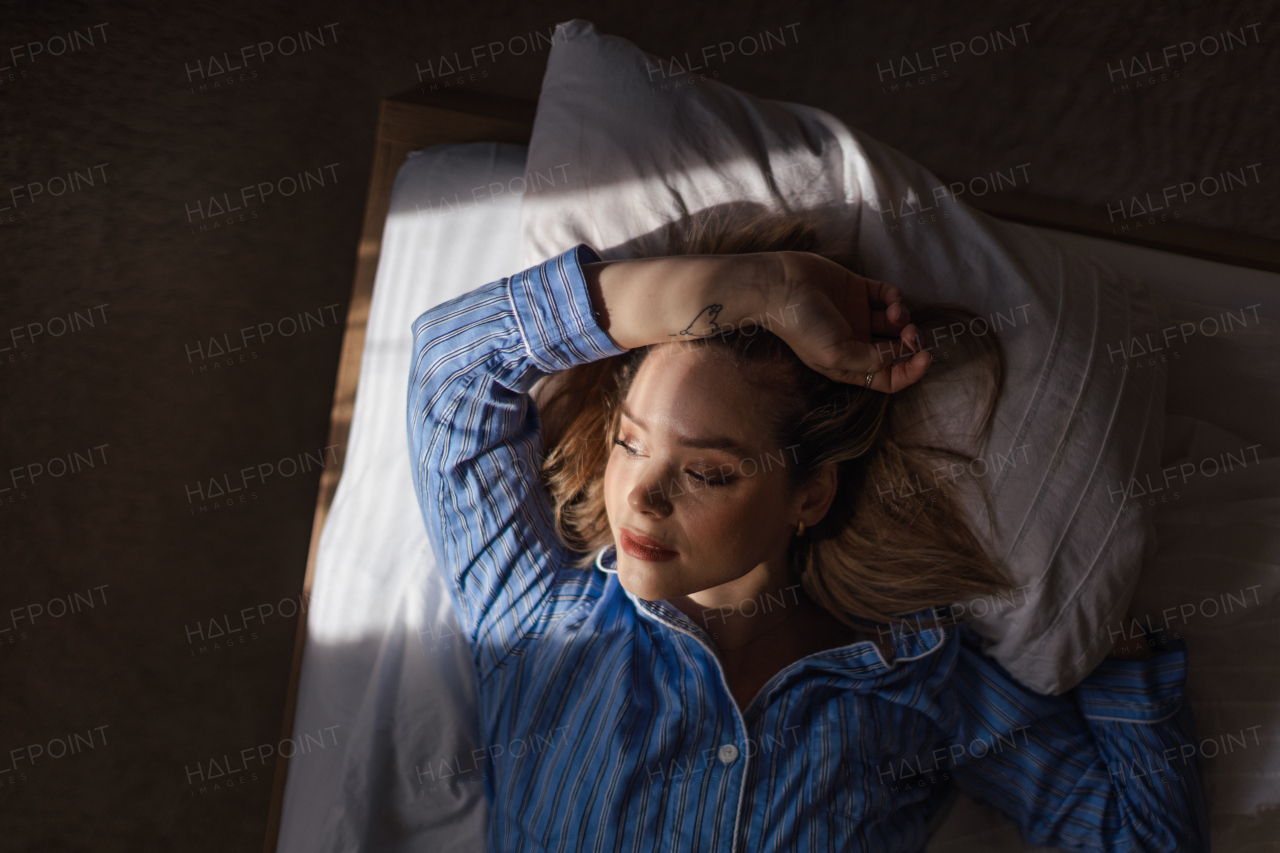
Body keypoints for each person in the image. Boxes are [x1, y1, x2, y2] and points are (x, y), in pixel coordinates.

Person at [407, 211, 1209, 852]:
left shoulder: (916, 680)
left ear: (809, 493)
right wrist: (754, 288)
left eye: (708, 471)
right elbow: (452, 364)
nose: (643, 498)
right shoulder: (535, 626)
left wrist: (1108, 631)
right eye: (630, 442)